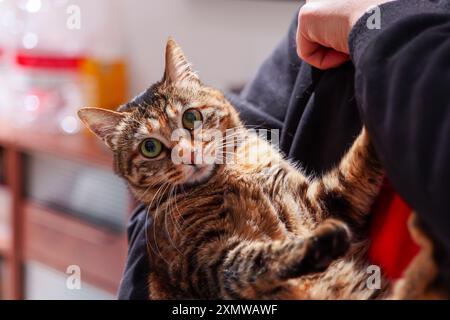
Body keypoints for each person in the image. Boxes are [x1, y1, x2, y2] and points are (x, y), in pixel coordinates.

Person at [118, 0, 450, 299]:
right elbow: (193, 266)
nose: (185, 152)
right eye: (153, 146)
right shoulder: (320, 19)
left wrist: (376, 24)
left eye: (190, 119)